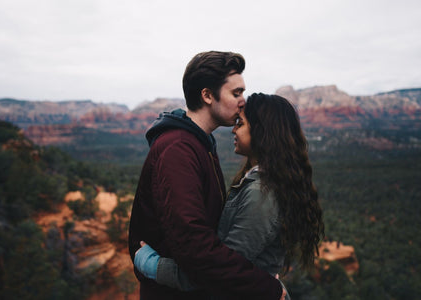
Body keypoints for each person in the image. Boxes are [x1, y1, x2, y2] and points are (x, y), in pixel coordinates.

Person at [134, 93, 325, 299]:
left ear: (263, 133)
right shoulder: (258, 183)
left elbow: (220, 271)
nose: (233, 129)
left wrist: (154, 266)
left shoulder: (261, 195)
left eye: (240, 124)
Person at [128, 52, 285, 299]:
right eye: (236, 93)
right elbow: (196, 248)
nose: (243, 101)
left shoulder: (200, 144)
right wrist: (268, 288)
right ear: (207, 95)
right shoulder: (178, 150)